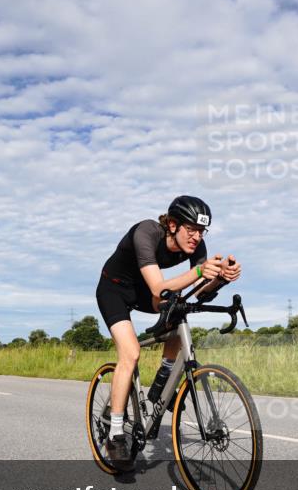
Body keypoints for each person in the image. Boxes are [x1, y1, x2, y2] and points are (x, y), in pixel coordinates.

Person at [95, 196, 241, 469]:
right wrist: (200, 270)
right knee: (131, 352)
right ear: (172, 225)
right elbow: (158, 289)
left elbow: (198, 292)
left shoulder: (196, 245)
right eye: (191, 230)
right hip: (113, 289)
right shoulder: (146, 232)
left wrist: (220, 278)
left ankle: (162, 382)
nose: (197, 237)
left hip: (144, 290)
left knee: (180, 310)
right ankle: (115, 434)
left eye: (201, 232)